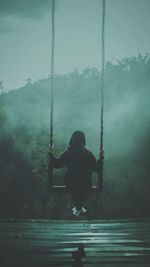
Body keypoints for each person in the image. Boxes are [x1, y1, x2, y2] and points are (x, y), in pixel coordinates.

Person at [49, 130, 100, 217]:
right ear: (83, 141)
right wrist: (101, 158)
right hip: (85, 183)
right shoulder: (88, 154)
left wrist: (51, 153)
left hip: (72, 183)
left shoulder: (69, 153)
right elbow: (96, 168)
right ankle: (79, 207)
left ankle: (78, 207)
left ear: (72, 140)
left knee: (75, 185)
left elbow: (57, 164)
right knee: (81, 188)